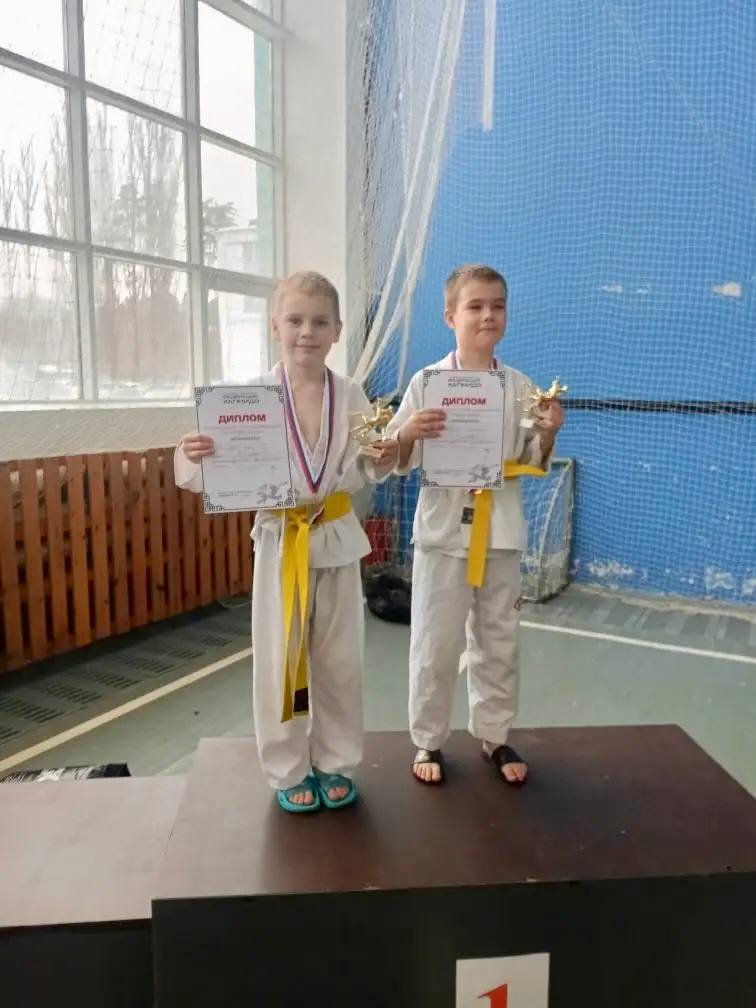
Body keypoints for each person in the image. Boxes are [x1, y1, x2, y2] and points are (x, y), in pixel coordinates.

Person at [176, 271, 397, 812]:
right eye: (295, 320)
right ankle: (287, 767)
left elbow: (365, 466)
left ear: (337, 331)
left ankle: (336, 761)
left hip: (337, 539)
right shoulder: (247, 398)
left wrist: (383, 458)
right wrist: (193, 453)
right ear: (275, 324)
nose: (306, 332)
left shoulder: (351, 394)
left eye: (320, 322)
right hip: (281, 543)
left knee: (340, 661)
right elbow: (205, 475)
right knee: (281, 661)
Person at [385, 264, 564, 786]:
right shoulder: (426, 383)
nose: (488, 315)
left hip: (501, 531)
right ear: (450, 316)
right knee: (434, 644)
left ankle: (494, 733)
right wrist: (409, 433)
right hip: (443, 534)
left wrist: (550, 431)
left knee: (498, 640)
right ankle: (428, 739)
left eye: (497, 306)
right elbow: (392, 456)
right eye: (475, 306)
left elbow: (532, 459)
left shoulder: (521, 387)